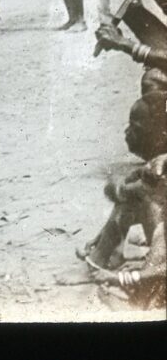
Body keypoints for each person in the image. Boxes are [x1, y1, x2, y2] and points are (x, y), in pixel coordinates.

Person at [77, 93, 166, 309]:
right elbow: (121, 192)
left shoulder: (159, 171)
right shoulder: (158, 166)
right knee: (139, 194)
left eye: (135, 126)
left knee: (143, 195)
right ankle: (102, 259)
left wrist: (122, 279)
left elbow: (119, 191)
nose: (128, 132)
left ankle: (140, 290)